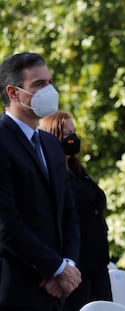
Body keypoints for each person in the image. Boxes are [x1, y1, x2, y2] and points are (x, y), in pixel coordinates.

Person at [0, 52, 81, 310]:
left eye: (49, 82)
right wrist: (54, 267)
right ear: (13, 93)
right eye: (38, 84)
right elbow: (6, 223)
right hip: (17, 286)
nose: (50, 90)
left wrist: (67, 264)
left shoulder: (50, 144)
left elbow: (69, 213)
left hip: (58, 290)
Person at [40, 112, 113, 310]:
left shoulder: (78, 171)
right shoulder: (51, 175)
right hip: (76, 265)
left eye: (74, 132)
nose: (73, 138)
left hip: (98, 262)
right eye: (67, 134)